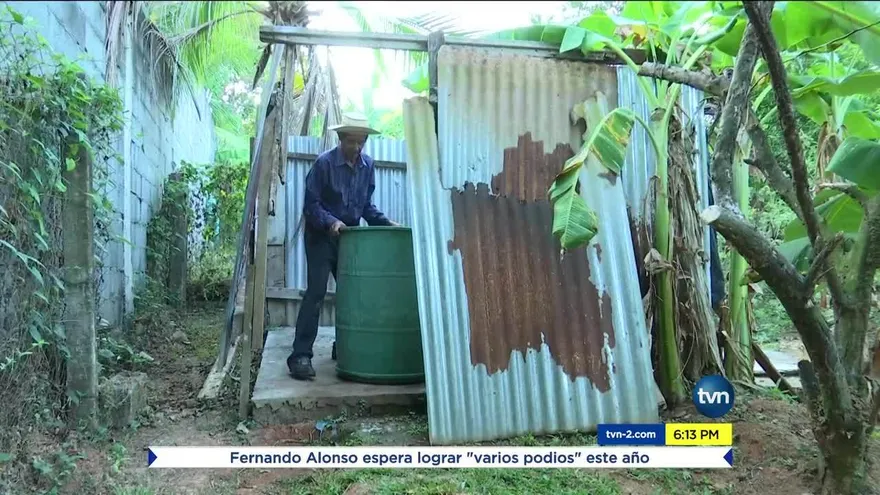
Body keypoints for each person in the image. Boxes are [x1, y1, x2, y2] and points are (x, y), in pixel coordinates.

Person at [287, 113, 398, 380]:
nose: (357, 147)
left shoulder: (368, 166)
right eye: (352, 142)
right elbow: (311, 205)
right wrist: (332, 222)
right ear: (340, 138)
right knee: (316, 293)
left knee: (352, 295)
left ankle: (346, 347)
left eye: (361, 142)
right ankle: (300, 356)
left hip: (349, 239)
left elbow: (365, 207)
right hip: (320, 237)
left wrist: (387, 224)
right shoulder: (324, 164)